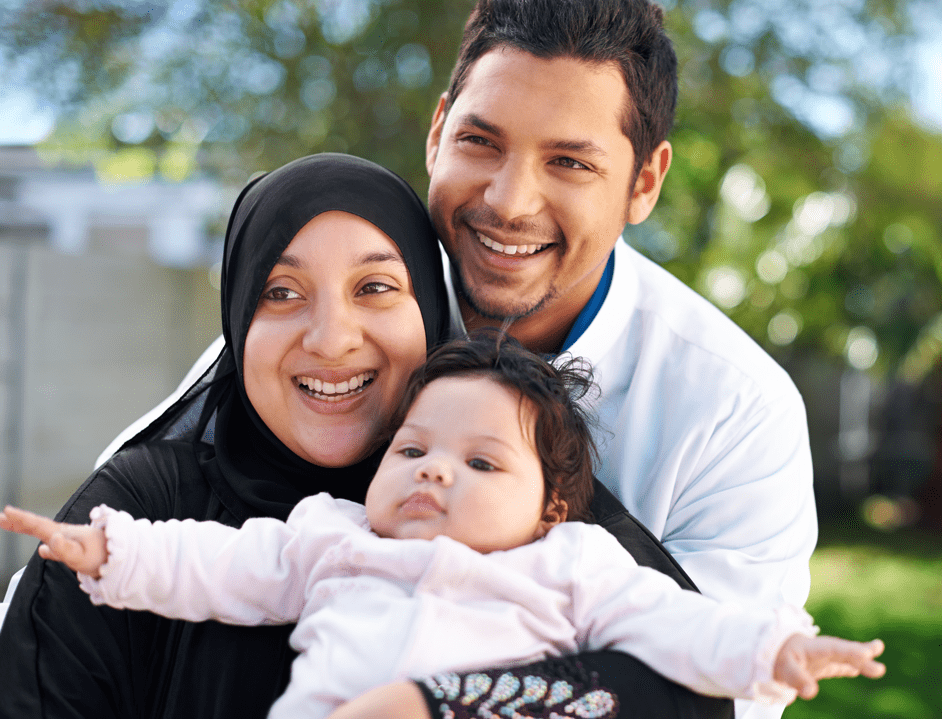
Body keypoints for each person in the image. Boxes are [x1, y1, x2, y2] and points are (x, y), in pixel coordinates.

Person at [100, 2, 816, 716]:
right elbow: (155, 485)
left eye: (569, 161)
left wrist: (437, 704)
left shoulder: (736, 411)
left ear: (644, 182)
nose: (508, 201)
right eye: (481, 141)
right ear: (438, 131)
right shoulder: (331, 323)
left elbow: (716, 696)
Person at [0, 335, 885, 719]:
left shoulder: (573, 564)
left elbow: (677, 625)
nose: (433, 468)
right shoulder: (332, 536)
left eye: (481, 462)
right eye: (413, 447)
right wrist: (114, 548)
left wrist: (773, 649)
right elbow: (222, 562)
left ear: (551, 507)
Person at [0, 153, 450, 718]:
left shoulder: (512, 506)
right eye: (281, 292)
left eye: (375, 286)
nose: (332, 340)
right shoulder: (142, 515)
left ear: (430, 310)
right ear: (238, 321)